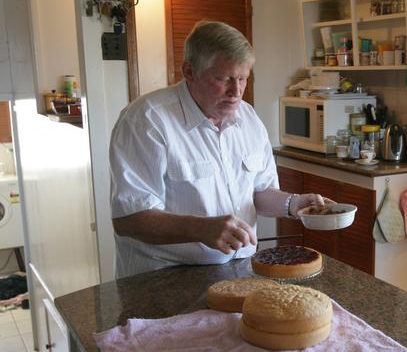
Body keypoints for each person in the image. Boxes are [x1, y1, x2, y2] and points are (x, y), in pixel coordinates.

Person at [109, 21, 326, 278]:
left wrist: (295, 204)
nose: (236, 92)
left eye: (243, 78)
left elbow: (258, 193)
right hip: (164, 276)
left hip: (240, 270)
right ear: (189, 71)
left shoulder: (248, 119)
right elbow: (128, 219)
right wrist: (201, 229)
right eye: (223, 79)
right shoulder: (147, 120)